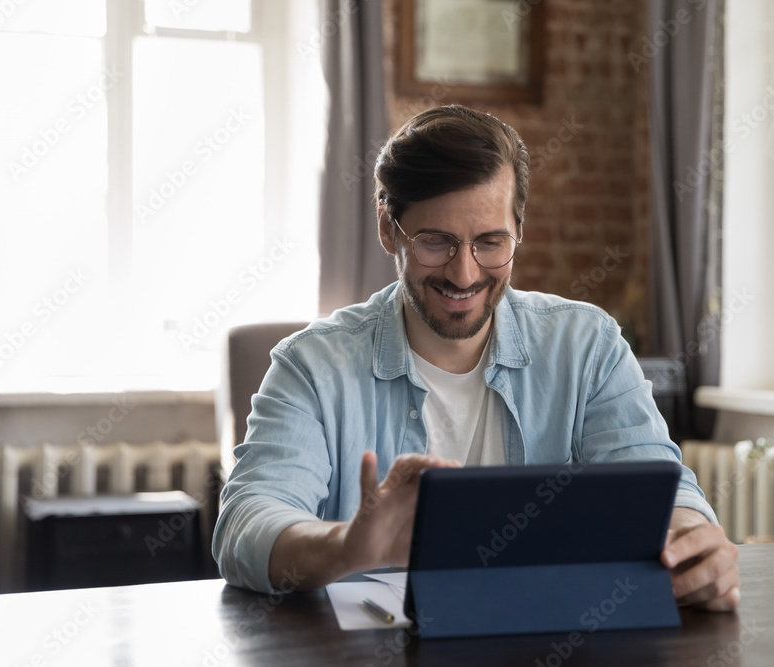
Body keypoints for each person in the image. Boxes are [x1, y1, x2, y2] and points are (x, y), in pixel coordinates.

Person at [213, 104, 739, 611]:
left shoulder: (588, 346)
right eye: (435, 242)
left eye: (491, 242)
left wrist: (693, 538)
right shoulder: (310, 365)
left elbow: (656, 487)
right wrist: (347, 546)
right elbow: (247, 524)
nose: (464, 274)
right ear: (387, 229)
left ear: (519, 231)